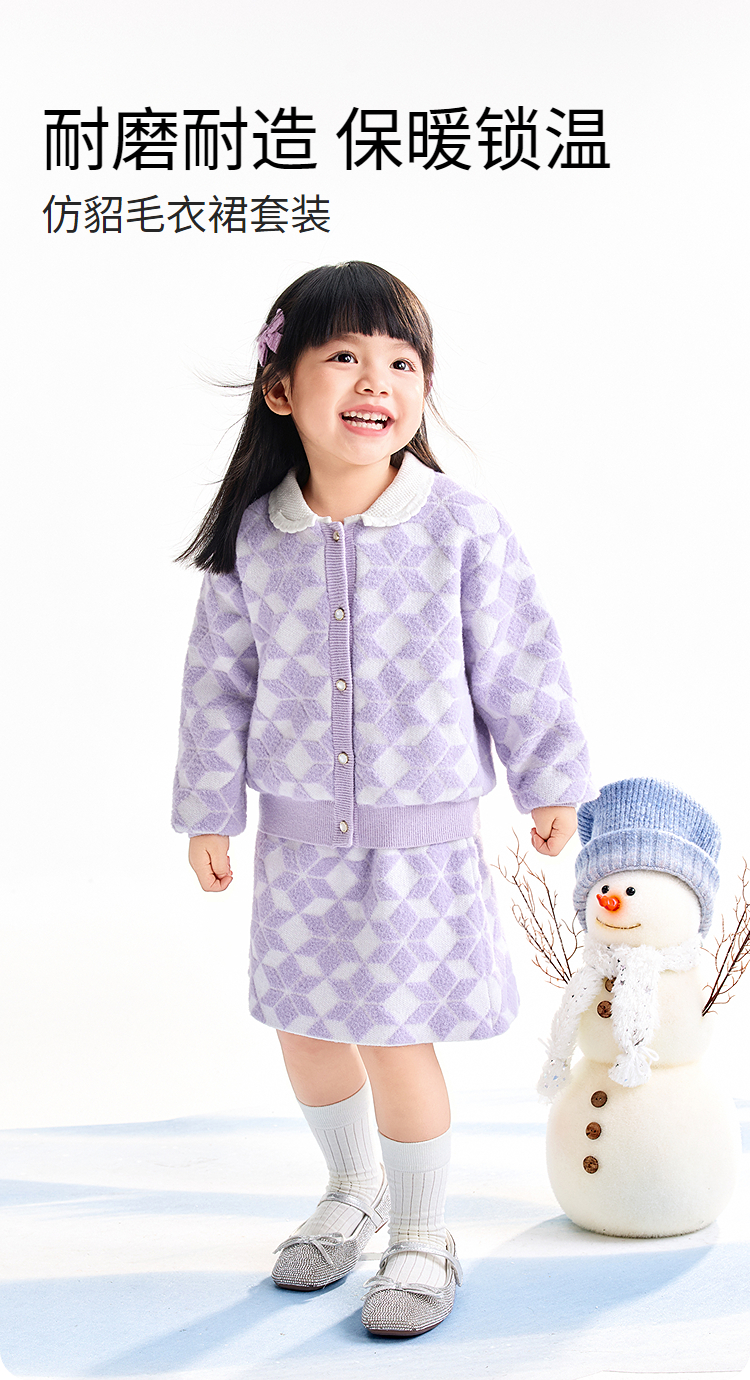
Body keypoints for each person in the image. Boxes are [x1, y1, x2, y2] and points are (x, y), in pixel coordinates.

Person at [172, 261, 594, 1338]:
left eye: (404, 362)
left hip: (420, 848)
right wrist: (210, 809)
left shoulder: (459, 527)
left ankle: (421, 1232)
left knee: (398, 1039)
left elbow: (518, 661)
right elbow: (217, 683)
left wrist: (550, 778)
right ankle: (350, 1191)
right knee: (307, 1032)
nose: (378, 381)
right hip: (298, 845)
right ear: (282, 390)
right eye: (347, 356)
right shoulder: (254, 540)